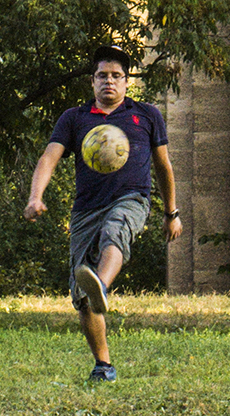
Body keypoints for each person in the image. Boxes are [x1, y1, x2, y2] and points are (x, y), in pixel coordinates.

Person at [24, 45, 183, 384]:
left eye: (116, 76)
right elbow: (49, 158)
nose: (108, 82)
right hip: (85, 210)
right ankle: (103, 364)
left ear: (126, 82)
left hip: (132, 199)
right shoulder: (74, 118)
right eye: (102, 76)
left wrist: (172, 212)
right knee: (82, 300)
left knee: (116, 231)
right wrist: (36, 196)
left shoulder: (147, 115)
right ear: (92, 81)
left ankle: (103, 286)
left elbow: (163, 166)